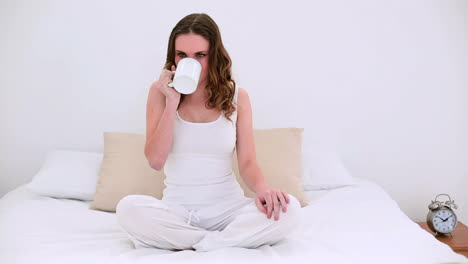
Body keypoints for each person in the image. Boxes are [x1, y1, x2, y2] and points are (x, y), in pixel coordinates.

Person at [115, 13, 301, 252]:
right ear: (173, 56)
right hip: (177, 210)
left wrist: (264, 189)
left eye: (200, 55)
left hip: (227, 209)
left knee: (291, 210)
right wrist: (172, 102)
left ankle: (198, 243)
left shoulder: (237, 96)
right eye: (182, 55)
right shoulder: (159, 92)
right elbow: (155, 160)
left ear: (214, 55)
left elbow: (247, 161)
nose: (189, 63)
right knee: (128, 209)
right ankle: (218, 242)